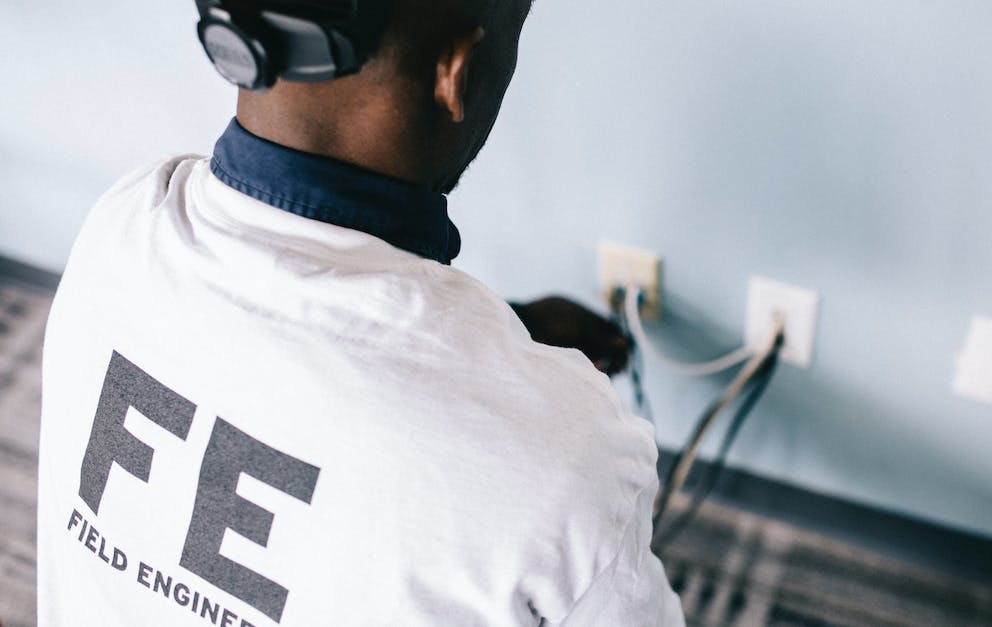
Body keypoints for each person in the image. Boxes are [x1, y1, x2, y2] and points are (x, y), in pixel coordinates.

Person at [36, 1, 685, 625]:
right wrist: (521, 389)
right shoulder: (566, 453)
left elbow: (273, 364)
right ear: (454, 73)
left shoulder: (121, 228)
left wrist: (507, 341)